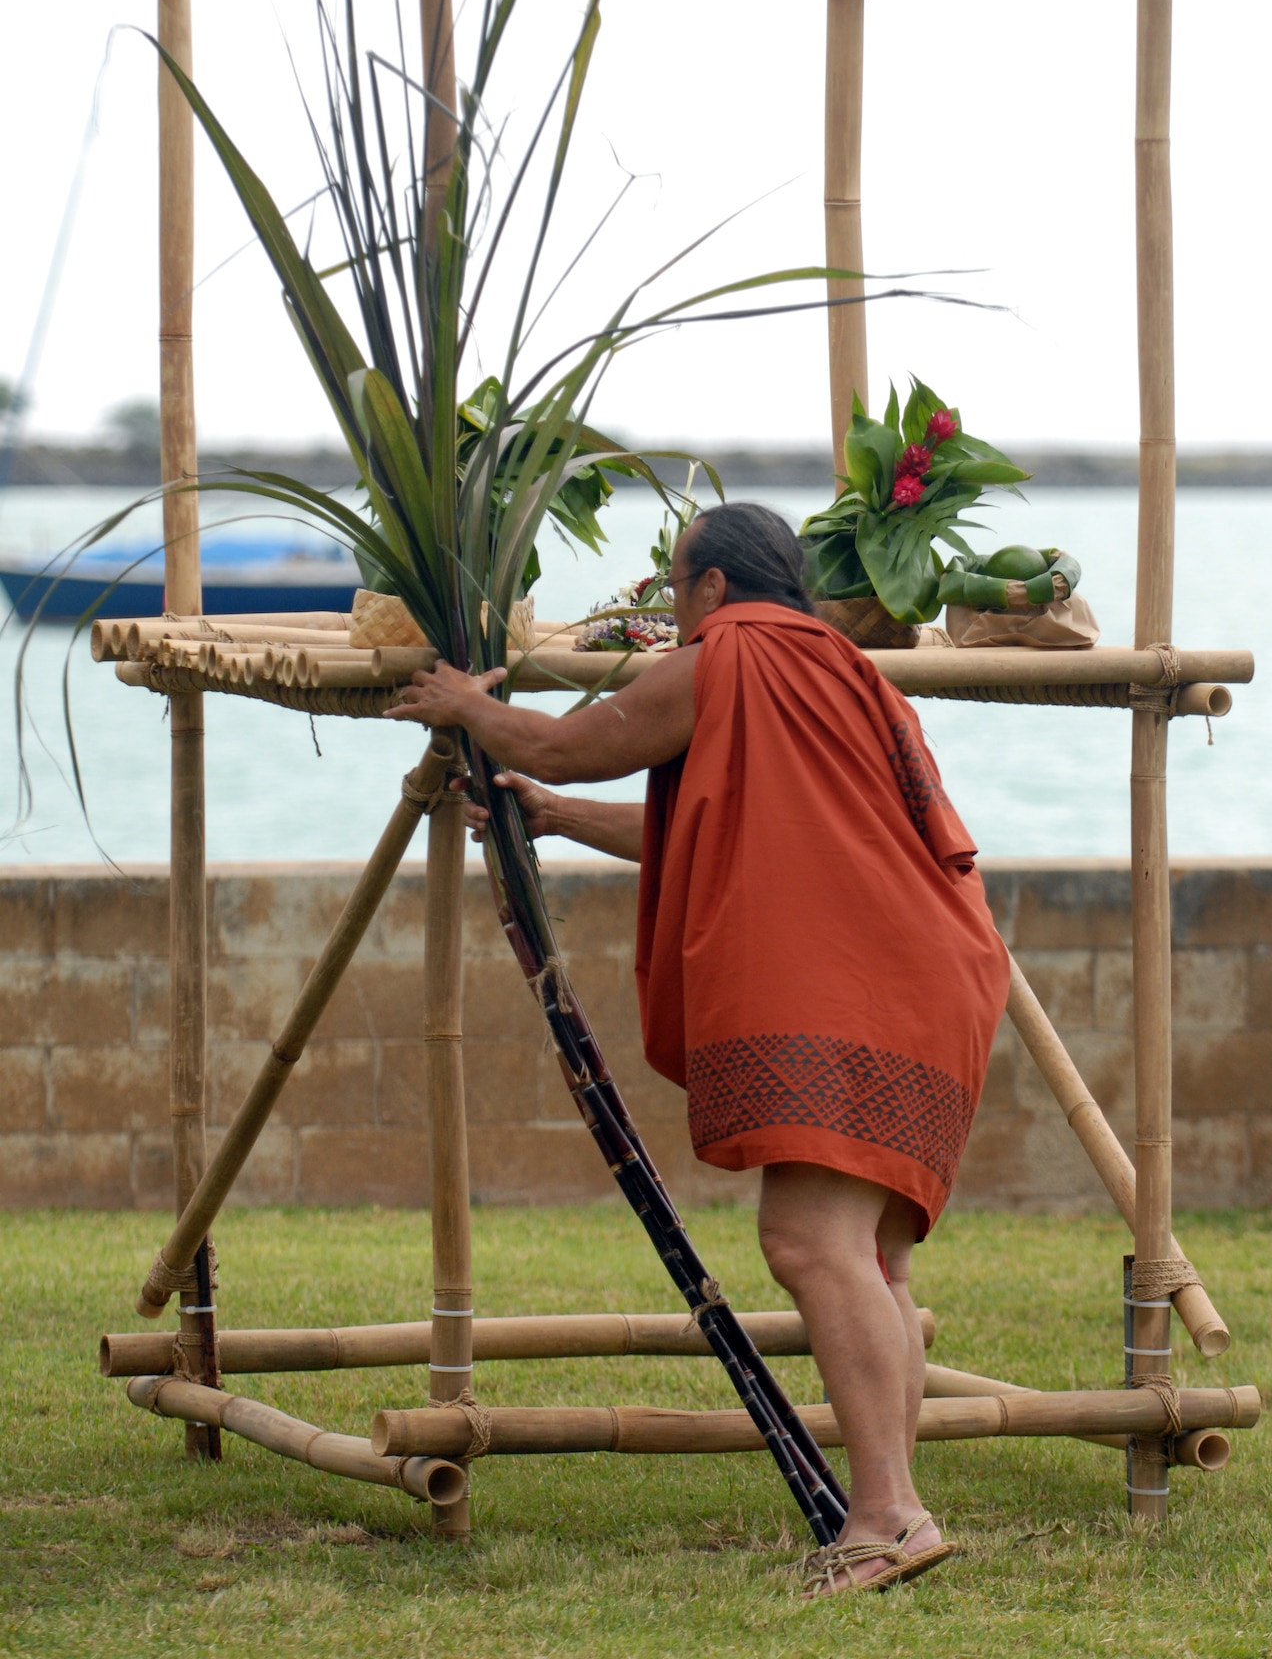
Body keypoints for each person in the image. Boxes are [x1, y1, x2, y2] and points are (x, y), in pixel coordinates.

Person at [386, 503, 1010, 1597]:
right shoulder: (848, 672)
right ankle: (895, 1506)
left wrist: (463, 703)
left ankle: (888, 1516)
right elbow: (719, 814)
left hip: (860, 978)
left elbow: (571, 735)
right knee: (869, 1257)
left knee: (810, 1238)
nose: (676, 612)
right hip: (939, 973)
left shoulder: (732, 654)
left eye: (678, 591)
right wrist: (560, 814)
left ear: (713, 586)